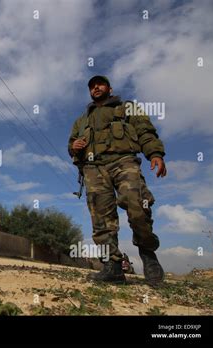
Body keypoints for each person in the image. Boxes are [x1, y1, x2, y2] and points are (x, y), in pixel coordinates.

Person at [68, 75, 167, 286]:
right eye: (92, 86)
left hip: (124, 161)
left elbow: (145, 131)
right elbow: (72, 144)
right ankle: (112, 265)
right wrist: (74, 146)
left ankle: (148, 253)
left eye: (100, 84)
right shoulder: (82, 120)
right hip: (93, 168)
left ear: (109, 89)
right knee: (101, 219)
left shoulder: (126, 108)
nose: (96, 88)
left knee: (137, 203)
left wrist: (155, 153)